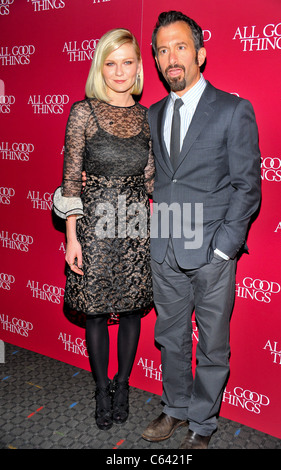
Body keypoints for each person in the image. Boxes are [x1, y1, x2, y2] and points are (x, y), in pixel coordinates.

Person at [141, 11, 261, 449]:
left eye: (180, 47)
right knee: (170, 339)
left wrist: (225, 249)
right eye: (162, 50)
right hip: (165, 250)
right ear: (155, 60)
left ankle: (203, 423)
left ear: (200, 54)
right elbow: (155, 179)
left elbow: (248, 187)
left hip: (212, 252)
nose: (171, 57)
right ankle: (174, 408)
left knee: (212, 346)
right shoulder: (150, 114)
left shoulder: (232, 109)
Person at [53, 28, 155, 431]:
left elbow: (151, 181)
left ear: (138, 67)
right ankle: (101, 388)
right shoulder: (83, 112)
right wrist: (72, 238)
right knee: (95, 313)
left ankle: (123, 385)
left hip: (135, 226)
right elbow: (70, 181)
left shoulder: (149, 118)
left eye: (127, 61)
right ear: (100, 67)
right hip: (93, 227)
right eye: (110, 62)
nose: (119, 70)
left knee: (131, 311)